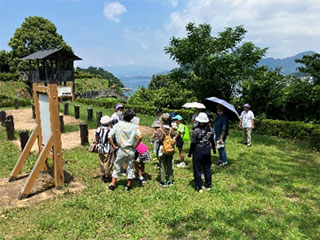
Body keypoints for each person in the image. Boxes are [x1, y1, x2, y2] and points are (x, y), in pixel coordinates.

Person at [108, 109, 142, 191]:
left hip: (121, 149)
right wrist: (135, 145)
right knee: (130, 167)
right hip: (131, 150)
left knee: (117, 166)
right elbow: (140, 137)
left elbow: (109, 136)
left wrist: (114, 145)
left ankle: (112, 184)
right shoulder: (134, 126)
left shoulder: (117, 125)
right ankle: (128, 185)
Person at [188, 112, 215, 192]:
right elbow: (212, 140)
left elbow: (193, 143)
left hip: (198, 150)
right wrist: (213, 149)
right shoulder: (211, 130)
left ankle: (199, 186)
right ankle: (208, 184)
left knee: (197, 168)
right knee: (207, 167)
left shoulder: (196, 131)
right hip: (207, 150)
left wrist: (190, 152)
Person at [153, 113, 175, 187]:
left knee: (162, 165)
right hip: (170, 149)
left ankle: (163, 181)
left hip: (162, 149)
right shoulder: (171, 129)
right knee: (169, 164)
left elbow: (156, 140)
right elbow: (173, 138)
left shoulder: (160, 130)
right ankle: (170, 180)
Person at [96, 115, 115, 183]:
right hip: (108, 149)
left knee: (101, 162)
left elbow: (97, 138)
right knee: (108, 163)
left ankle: (103, 174)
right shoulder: (110, 130)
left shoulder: (99, 129)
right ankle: (107, 176)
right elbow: (112, 139)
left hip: (100, 148)